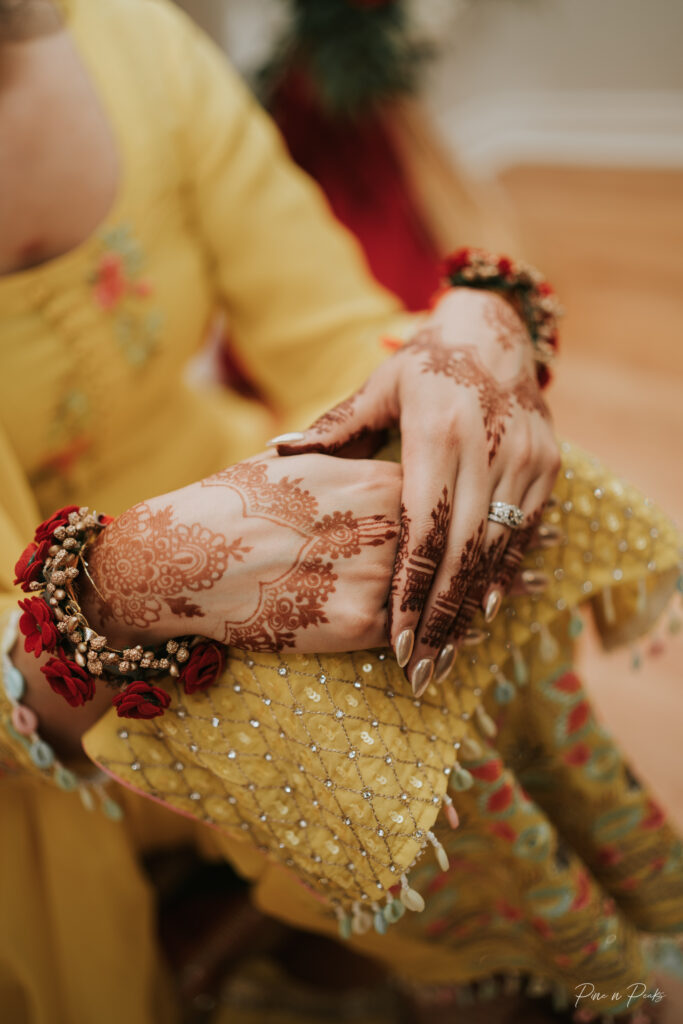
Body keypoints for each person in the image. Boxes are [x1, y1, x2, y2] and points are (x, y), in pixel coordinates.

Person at [0, 2, 680, 1022]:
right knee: (312, 677)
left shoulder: (129, 38)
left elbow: (325, 330)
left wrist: (460, 341)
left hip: (218, 480)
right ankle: (533, 964)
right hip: (47, 721)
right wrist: (125, 586)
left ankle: (571, 941)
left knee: (453, 503)